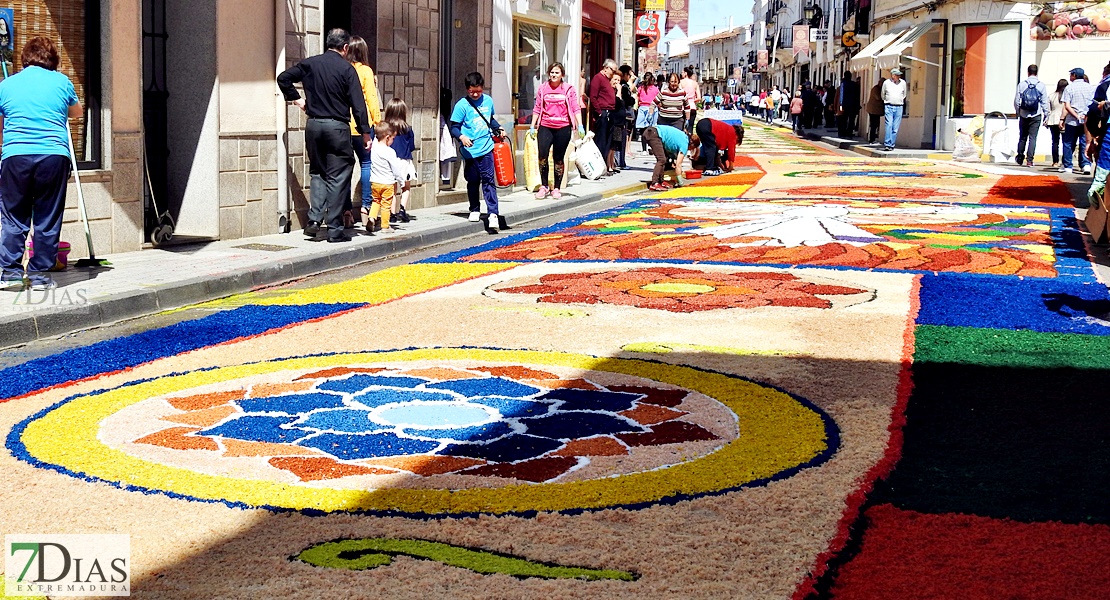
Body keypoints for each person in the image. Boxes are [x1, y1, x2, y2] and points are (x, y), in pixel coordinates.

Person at [0, 36, 82, 291]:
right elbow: (77, 112)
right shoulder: (62, 82)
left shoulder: (7, 84)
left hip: (15, 156)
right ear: (53, 59)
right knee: (47, 216)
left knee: (13, 215)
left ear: (25, 58)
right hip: (53, 156)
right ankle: (39, 276)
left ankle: (10, 274)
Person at [278, 28, 371, 243]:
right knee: (338, 176)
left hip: (314, 126)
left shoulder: (311, 63)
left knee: (318, 171)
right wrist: (365, 132)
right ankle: (335, 229)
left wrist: (296, 99)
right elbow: (358, 104)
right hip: (337, 127)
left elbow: (283, 78)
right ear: (345, 47)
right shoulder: (347, 70)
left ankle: (313, 221)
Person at [449, 71, 506, 230]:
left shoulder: (488, 101)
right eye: (472, 91)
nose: (475, 94)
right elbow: (454, 127)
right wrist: (461, 137)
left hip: (486, 146)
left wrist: (499, 128)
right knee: (473, 180)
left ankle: (493, 213)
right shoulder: (462, 105)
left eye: (478, 91)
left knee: (488, 180)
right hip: (470, 150)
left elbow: (490, 120)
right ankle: (474, 208)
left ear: (483, 88)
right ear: (467, 89)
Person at [529, 61, 582, 200]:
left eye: (557, 72)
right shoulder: (543, 88)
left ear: (562, 75)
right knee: (542, 155)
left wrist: (580, 125)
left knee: (558, 158)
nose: (554, 75)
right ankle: (544, 186)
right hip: (545, 126)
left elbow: (575, 107)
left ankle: (556, 188)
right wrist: (533, 126)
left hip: (563, 127)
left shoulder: (568, 89)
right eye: (552, 72)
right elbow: (537, 107)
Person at [345, 35, 381, 228]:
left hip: (343, 124)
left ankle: (346, 210)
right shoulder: (366, 71)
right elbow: (372, 100)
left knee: (346, 167)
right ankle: (366, 207)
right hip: (363, 125)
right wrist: (377, 121)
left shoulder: (343, 69)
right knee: (367, 163)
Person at [363, 122, 408, 233]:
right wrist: (401, 181)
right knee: (386, 205)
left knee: (375, 201)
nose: (393, 141)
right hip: (387, 183)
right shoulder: (390, 152)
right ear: (387, 138)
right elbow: (396, 169)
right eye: (393, 138)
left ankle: (372, 217)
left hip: (374, 182)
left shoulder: (374, 148)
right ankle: (385, 226)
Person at [383, 98, 417, 223]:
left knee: (392, 188)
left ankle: (391, 214)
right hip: (404, 160)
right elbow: (412, 146)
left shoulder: (386, 128)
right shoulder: (407, 129)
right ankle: (402, 209)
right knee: (406, 187)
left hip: (390, 161)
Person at [1084, 61, 1110, 208]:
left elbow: (1092, 115)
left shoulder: (1105, 85)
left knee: (1102, 181)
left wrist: (1092, 138)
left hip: (1108, 136)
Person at [1013, 64, 1049, 167]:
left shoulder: (1022, 84)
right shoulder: (1041, 85)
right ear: (1037, 73)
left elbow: (1016, 100)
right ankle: (1029, 160)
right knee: (1033, 138)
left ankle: (1020, 157)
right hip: (1036, 115)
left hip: (1023, 114)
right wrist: (1046, 114)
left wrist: (1018, 111)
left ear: (1028, 72)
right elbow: (1044, 102)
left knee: (1022, 137)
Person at [1061, 67, 1095, 174]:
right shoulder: (1090, 88)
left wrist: (1076, 116)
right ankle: (1085, 164)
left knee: (1068, 142)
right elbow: (1093, 104)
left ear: (1074, 75)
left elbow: (1067, 105)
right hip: (1086, 120)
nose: (1070, 76)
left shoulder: (1069, 88)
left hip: (1072, 120)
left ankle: (1068, 166)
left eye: (1071, 74)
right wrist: (1084, 115)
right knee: (1084, 142)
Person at [588, 59, 618, 177]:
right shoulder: (598, 78)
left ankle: (604, 166)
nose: (613, 73)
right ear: (606, 68)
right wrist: (600, 112)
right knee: (601, 140)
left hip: (610, 112)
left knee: (608, 140)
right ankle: (599, 167)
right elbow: (593, 97)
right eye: (613, 70)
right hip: (603, 112)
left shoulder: (607, 80)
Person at [642, 124, 695, 191]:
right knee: (661, 160)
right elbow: (678, 165)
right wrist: (680, 182)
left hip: (653, 132)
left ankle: (661, 181)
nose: (689, 150)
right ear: (692, 144)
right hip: (654, 134)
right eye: (691, 149)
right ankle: (654, 183)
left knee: (665, 159)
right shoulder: (685, 144)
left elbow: (670, 146)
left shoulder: (684, 137)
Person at [881, 68, 908, 151]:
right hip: (889, 105)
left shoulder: (903, 83)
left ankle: (892, 144)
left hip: (899, 106)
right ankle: (887, 143)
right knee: (889, 124)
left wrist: (899, 100)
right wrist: (887, 100)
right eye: (897, 75)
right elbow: (883, 94)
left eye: (899, 75)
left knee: (895, 127)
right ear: (892, 75)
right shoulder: (886, 83)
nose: (899, 76)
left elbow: (904, 94)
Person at [1045, 78, 1068, 168]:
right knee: (1065, 142)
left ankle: (1055, 161)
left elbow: (1048, 109)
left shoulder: (1052, 96)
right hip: (1064, 120)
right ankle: (1064, 161)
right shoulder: (1067, 97)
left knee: (1055, 142)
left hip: (1053, 119)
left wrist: (1046, 119)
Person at [635, 72, 659, 154]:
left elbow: (637, 97)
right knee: (652, 129)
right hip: (652, 108)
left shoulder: (641, 88)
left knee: (643, 130)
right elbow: (658, 100)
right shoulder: (655, 89)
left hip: (642, 108)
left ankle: (644, 149)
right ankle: (651, 147)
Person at [837, 71, 861, 138]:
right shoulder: (854, 84)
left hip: (845, 105)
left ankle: (843, 133)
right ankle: (849, 134)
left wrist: (841, 105)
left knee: (844, 120)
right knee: (851, 120)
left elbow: (842, 95)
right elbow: (857, 95)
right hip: (853, 105)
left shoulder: (843, 84)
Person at [680, 66, 700, 134]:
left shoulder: (681, 82)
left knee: (682, 127)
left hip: (683, 107)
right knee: (690, 127)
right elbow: (699, 98)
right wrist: (692, 100)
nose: (681, 73)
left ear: (686, 73)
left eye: (682, 72)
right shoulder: (695, 83)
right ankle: (690, 141)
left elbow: (679, 95)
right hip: (692, 107)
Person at [866, 77, 884, 144]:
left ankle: (873, 138)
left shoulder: (878, 88)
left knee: (875, 124)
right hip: (873, 110)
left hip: (876, 110)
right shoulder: (876, 89)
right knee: (873, 125)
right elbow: (878, 97)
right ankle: (872, 139)